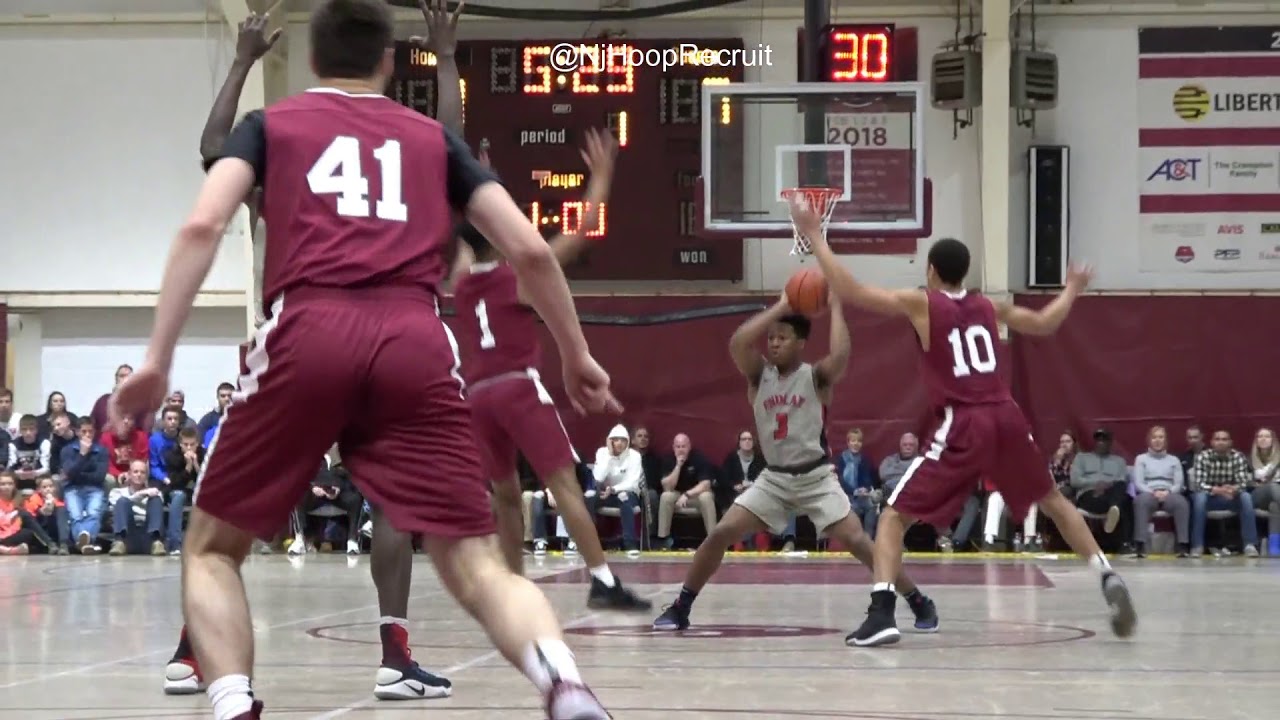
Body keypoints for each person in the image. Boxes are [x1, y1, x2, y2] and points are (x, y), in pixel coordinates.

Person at [113, 2, 618, 720]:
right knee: (474, 560)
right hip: (413, 337)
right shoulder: (432, 141)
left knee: (213, 547)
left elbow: (202, 222)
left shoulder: (272, 127)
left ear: (314, 62)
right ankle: (564, 685)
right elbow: (532, 250)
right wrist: (577, 354)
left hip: (306, 328)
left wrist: (158, 356)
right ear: (388, 63)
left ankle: (230, 705)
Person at [160, 3, 463, 702]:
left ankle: (196, 648)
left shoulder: (286, 157)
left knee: (232, 523)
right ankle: (393, 653)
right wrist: (447, 57)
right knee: (393, 505)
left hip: (303, 341)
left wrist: (241, 60)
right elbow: (451, 144)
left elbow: (213, 147)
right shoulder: (408, 158)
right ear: (386, 63)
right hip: (393, 335)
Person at [789, 197, 1137, 647]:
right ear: (964, 273)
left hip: (965, 420)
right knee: (1051, 498)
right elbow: (1045, 322)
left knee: (893, 517)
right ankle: (1106, 575)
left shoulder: (923, 303)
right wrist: (1071, 288)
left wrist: (814, 234)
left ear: (931, 270)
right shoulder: (989, 307)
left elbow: (853, 292)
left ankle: (881, 613)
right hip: (1008, 416)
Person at [653, 296, 938, 633]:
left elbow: (842, 356)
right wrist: (781, 306)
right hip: (773, 479)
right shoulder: (759, 376)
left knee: (860, 542)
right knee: (720, 533)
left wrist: (836, 307)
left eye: (782, 337)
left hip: (815, 477)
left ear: (801, 344)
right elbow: (738, 342)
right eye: (771, 337)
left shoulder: (815, 376)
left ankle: (916, 598)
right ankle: (681, 606)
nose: (773, 343)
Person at [452, 128, 648, 611]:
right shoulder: (515, 276)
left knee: (504, 494)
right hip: (517, 388)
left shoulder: (458, 285)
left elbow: (461, 232)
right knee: (562, 486)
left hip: (475, 396)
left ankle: (512, 586)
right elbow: (579, 233)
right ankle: (602, 580)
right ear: (501, 239)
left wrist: (470, 181)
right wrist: (601, 177)